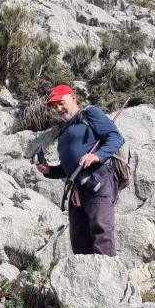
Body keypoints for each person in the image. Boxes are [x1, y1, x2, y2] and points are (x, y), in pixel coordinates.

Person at [35, 84, 125, 256]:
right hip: (78, 189)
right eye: (55, 106)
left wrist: (97, 155)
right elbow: (69, 168)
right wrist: (49, 171)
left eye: (61, 103)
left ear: (73, 98)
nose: (58, 109)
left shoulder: (89, 113)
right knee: (79, 239)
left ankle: (106, 277)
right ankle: (84, 279)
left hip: (98, 180)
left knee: (101, 232)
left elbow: (115, 137)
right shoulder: (65, 131)